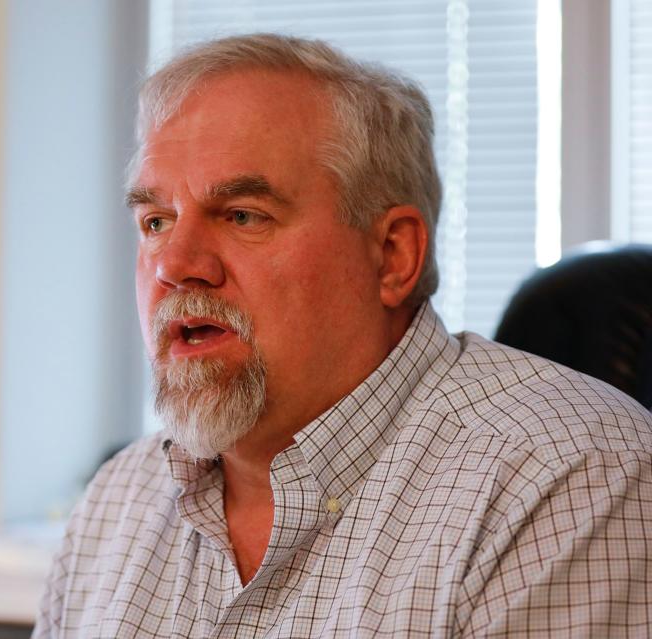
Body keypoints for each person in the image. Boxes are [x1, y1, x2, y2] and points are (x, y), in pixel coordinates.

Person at [33, 34, 652, 638]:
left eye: (243, 215)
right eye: (156, 221)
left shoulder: (568, 477)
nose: (174, 264)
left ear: (391, 256)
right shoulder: (119, 498)